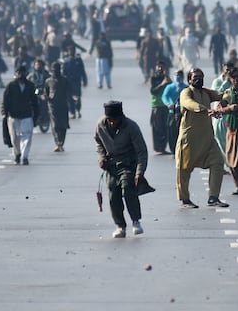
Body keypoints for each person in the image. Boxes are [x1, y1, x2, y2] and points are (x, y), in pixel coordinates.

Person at [175, 68, 229, 208]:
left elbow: (226, 94)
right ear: (189, 80)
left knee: (218, 162)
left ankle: (213, 197)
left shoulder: (206, 92)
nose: (198, 79)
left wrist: (222, 103)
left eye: (201, 76)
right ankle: (185, 200)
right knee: (184, 170)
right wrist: (207, 109)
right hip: (189, 140)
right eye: (195, 77)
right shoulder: (186, 92)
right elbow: (189, 104)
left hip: (207, 139)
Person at [94, 101, 148, 238]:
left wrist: (139, 172)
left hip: (128, 164)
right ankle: (120, 226)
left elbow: (142, 151)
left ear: (121, 117)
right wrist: (101, 157)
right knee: (113, 194)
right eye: (110, 120)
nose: (112, 123)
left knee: (127, 188)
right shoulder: (101, 125)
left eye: (115, 120)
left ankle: (136, 221)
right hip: (111, 165)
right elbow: (98, 142)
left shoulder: (131, 127)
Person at [1, 65, 38, 165]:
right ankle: (17, 154)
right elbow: (5, 101)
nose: (20, 75)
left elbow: (35, 101)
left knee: (27, 136)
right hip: (13, 115)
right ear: (16, 74)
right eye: (18, 72)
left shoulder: (30, 86)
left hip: (26, 115)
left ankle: (25, 156)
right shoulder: (11, 86)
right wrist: (4, 113)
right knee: (14, 137)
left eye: (22, 72)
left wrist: (36, 116)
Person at [44, 62, 70, 152]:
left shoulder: (65, 80)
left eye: (57, 70)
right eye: (54, 70)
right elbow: (45, 92)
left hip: (63, 105)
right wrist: (47, 98)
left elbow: (69, 92)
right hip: (52, 106)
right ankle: (58, 143)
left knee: (63, 125)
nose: (56, 72)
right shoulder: (48, 81)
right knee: (55, 125)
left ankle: (61, 142)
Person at [162, 70, 188, 154]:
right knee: (171, 131)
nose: (178, 77)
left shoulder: (186, 87)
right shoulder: (170, 87)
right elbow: (164, 97)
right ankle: (173, 149)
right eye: (176, 75)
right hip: (172, 112)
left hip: (183, 113)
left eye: (179, 75)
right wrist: (168, 104)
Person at [150, 61, 172, 155]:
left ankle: (162, 148)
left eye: (161, 67)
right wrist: (162, 84)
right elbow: (153, 91)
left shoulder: (166, 77)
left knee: (165, 127)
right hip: (156, 106)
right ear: (156, 67)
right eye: (158, 67)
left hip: (165, 106)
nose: (160, 69)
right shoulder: (154, 78)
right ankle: (157, 148)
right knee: (156, 128)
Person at [62, 45, 87, 119]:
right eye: (70, 50)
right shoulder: (66, 61)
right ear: (68, 52)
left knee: (77, 97)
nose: (71, 52)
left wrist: (85, 80)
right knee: (69, 98)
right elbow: (64, 72)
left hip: (76, 82)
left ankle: (78, 110)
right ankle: (72, 112)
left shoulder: (78, 60)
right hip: (69, 82)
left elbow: (82, 70)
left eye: (73, 50)